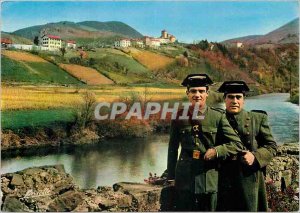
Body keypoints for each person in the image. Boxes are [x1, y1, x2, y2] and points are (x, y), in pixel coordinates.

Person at [167, 74, 246, 211]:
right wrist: (171, 177)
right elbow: (172, 149)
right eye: (193, 91)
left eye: (201, 91)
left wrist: (217, 151)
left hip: (209, 178)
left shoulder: (217, 116)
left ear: (207, 94)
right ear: (187, 93)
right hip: (184, 179)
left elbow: (237, 144)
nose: (197, 95)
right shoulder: (179, 116)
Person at [216, 81, 277, 211]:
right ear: (224, 99)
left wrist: (255, 156)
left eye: (238, 97)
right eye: (230, 97)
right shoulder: (215, 119)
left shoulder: (257, 118)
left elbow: (271, 146)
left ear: (244, 100)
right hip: (223, 179)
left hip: (249, 178)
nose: (234, 101)